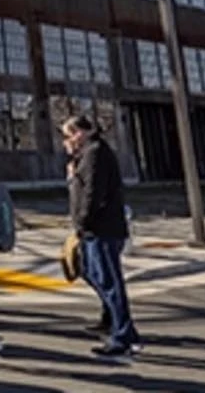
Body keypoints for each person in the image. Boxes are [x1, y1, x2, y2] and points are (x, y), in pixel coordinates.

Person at [64, 116, 140, 359]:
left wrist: (82, 222)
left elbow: (92, 193)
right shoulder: (86, 155)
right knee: (87, 271)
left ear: (80, 133)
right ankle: (110, 318)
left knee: (109, 280)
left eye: (69, 135)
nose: (67, 141)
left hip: (101, 228)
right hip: (94, 228)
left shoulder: (95, 153)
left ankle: (123, 335)